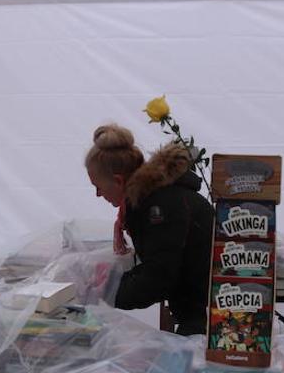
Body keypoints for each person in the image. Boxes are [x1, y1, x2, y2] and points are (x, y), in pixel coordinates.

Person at [85, 124, 213, 335]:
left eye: (97, 186)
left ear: (118, 181)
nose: (98, 194)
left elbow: (157, 278)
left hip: (208, 321)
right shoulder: (156, 198)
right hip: (196, 314)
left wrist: (105, 291)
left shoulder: (159, 208)